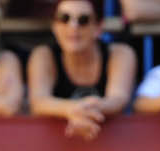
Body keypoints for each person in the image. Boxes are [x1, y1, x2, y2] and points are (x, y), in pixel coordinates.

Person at [27, 0, 137, 140]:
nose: (73, 26)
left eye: (83, 20)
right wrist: (73, 110)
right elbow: (38, 102)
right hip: (54, 144)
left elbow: (118, 99)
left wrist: (85, 109)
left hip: (112, 143)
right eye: (64, 18)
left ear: (98, 28)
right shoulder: (43, 55)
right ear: (54, 26)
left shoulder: (120, 53)